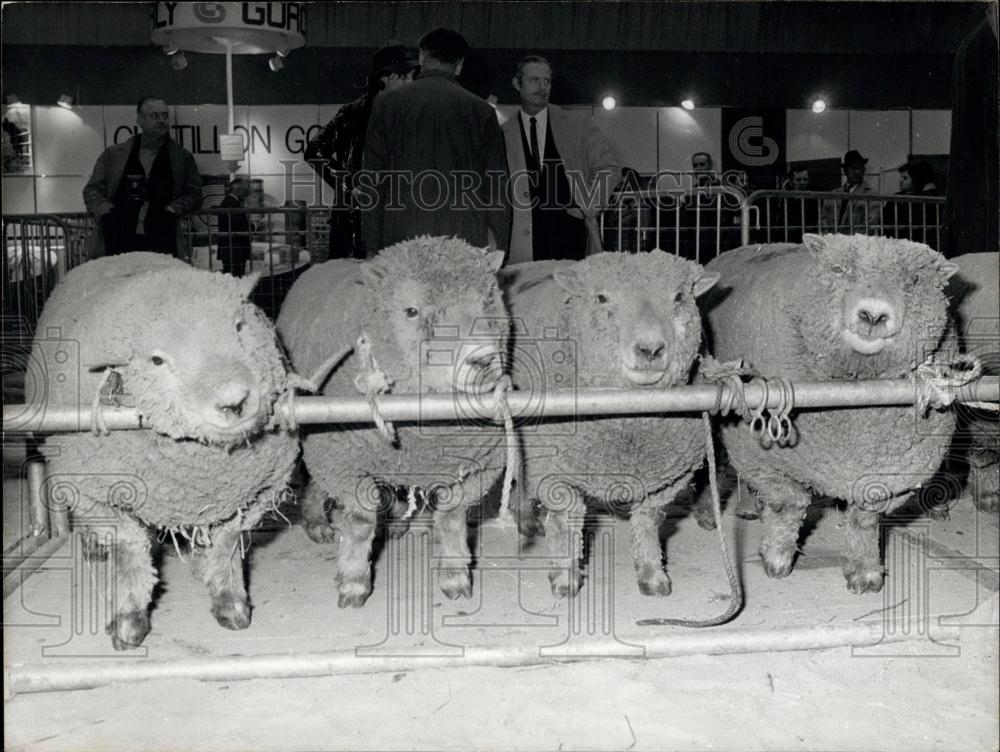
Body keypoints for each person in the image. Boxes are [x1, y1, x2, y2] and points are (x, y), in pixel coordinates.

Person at [361, 27, 510, 256]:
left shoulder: (386, 105)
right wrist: (499, 247)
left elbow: (372, 182)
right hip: (464, 243)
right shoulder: (482, 112)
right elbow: (498, 188)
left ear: (421, 56)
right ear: (459, 64)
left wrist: (372, 249)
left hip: (403, 243)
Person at [305, 42, 419, 260]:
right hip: (355, 223)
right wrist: (350, 184)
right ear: (387, 78)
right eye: (405, 76)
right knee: (354, 284)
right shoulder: (355, 113)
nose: (410, 82)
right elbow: (314, 150)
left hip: (393, 223)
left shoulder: (405, 116)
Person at [501, 55, 620, 263]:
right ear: (516, 84)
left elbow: (609, 168)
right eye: (534, 80)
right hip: (523, 243)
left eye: (547, 81)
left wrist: (588, 206)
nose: (542, 86)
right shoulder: (502, 133)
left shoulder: (579, 124)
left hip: (571, 237)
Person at [83, 96, 202, 257]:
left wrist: (174, 209)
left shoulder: (183, 158)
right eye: (154, 115)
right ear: (140, 120)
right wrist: (105, 212)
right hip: (116, 237)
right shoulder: (113, 155)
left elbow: (194, 194)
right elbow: (92, 189)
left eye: (165, 115)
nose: (162, 120)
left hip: (163, 237)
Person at [820, 149, 880, 233]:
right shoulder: (832, 195)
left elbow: (870, 225)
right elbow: (823, 222)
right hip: (832, 243)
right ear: (845, 171)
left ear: (864, 170)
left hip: (855, 244)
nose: (856, 172)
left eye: (859, 168)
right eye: (852, 168)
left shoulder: (872, 195)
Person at [216, 177, 252, 277]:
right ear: (239, 190)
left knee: (231, 276)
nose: (246, 193)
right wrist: (254, 226)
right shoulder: (232, 203)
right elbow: (239, 225)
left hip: (230, 249)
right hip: (235, 249)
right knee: (237, 277)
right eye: (245, 189)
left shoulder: (228, 202)